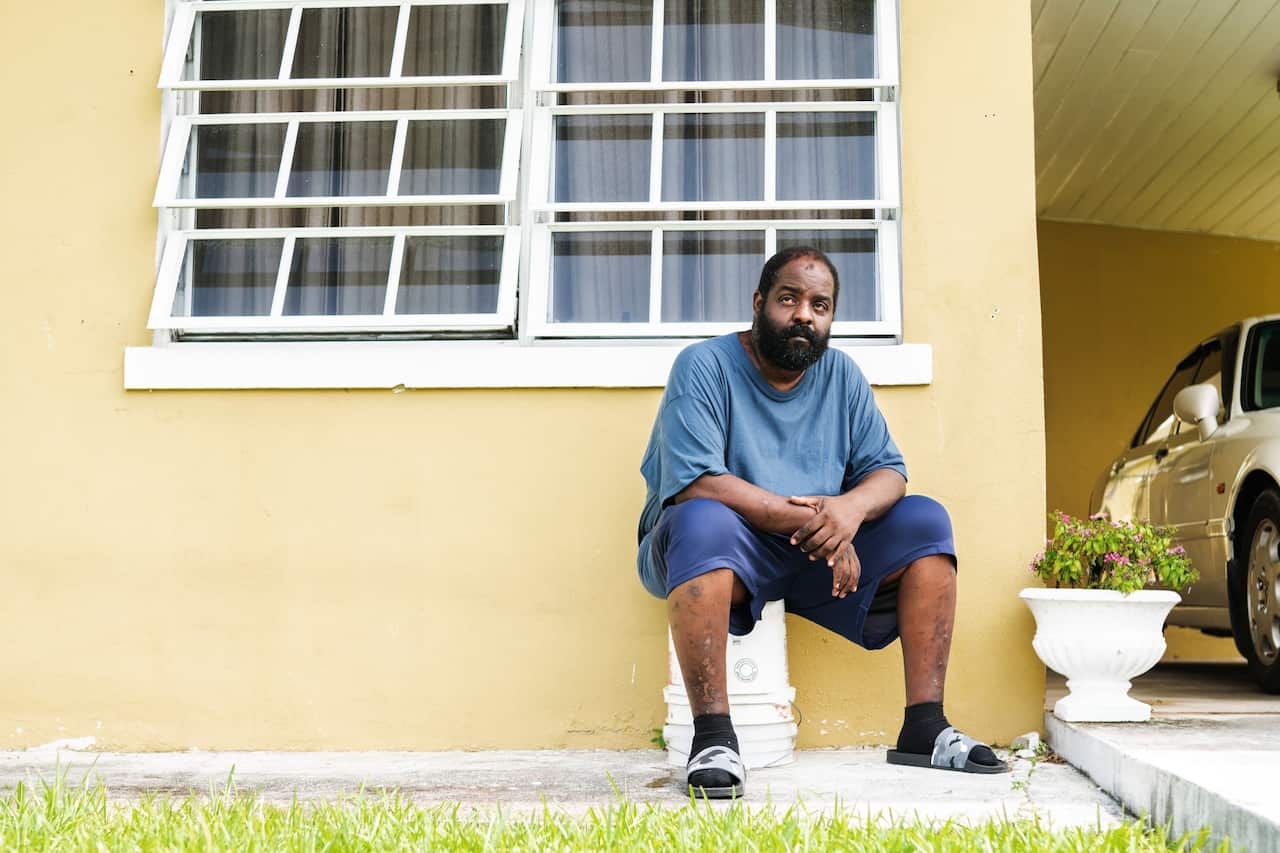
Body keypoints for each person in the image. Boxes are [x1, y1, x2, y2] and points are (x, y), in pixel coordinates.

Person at [637, 246, 1008, 798]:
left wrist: (849, 512)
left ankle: (924, 727)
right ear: (760, 304)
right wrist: (821, 522)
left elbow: (889, 472)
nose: (804, 315)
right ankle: (713, 738)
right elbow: (699, 482)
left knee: (926, 522)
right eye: (789, 299)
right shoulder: (704, 365)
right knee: (702, 521)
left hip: (814, 554)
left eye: (820, 305)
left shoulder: (841, 375)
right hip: (720, 549)